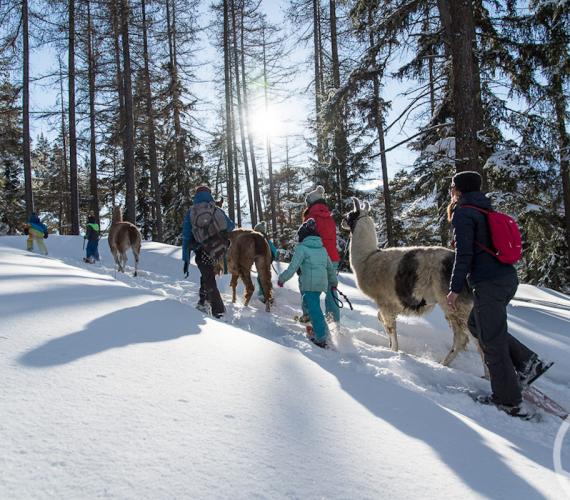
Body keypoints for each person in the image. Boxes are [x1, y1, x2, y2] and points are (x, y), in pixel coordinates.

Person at [446, 171, 550, 418]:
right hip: (506, 279)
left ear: (459, 189)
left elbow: (464, 255)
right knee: (477, 325)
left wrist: (454, 289)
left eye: (452, 187)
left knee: (491, 340)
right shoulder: (484, 209)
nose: (451, 191)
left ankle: (508, 401)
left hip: (489, 283)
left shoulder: (463, 213)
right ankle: (527, 363)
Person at [278, 218, 338, 349]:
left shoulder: (302, 248)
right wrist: (333, 282)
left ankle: (322, 337)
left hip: (309, 283)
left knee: (313, 308)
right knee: (309, 303)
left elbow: (293, 267)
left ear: (303, 236)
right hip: (321, 283)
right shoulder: (322, 249)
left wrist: (282, 279)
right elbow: (329, 268)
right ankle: (317, 328)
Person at [182, 186, 235, 318]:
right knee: (207, 275)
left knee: (208, 277)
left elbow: (186, 237)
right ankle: (203, 302)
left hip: (202, 251)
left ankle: (219, 311)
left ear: (196, 195)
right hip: (216, 251)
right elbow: (231, 226)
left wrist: (186, 260)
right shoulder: (215, 209)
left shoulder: (191, 213)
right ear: (209, 194)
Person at [299, 185, 341, 324]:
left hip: (315, 259)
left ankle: (309, 317)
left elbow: (306, 241)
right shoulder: (329, 217)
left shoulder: (310, 217)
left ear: (310, 203)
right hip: (332, 258)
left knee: (307, 287)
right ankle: (333, 322)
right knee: (331, 292)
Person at [254, 220, 279, 303]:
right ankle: (269, 293)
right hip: (268, 261)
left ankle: (263, 295)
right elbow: (275, 251)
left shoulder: (256, 240)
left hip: (260, 262)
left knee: (260, 277)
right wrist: (273, 258)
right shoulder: (267, 240)